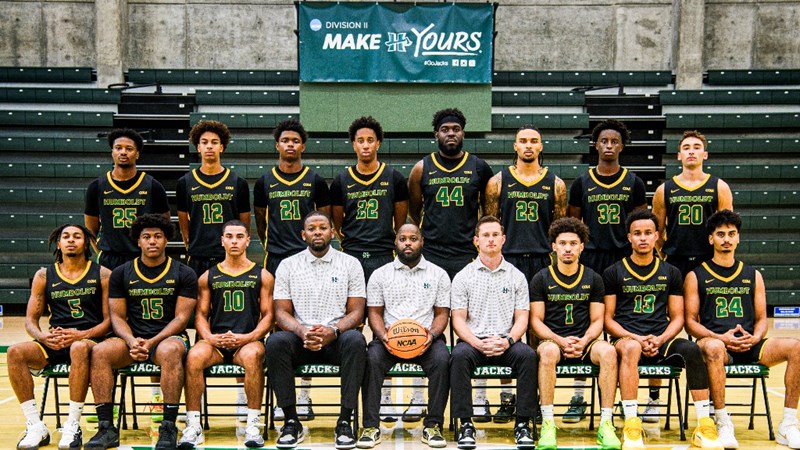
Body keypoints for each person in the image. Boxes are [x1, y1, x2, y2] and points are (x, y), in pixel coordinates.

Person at [603, 209, 722, 450]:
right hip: (628, 338)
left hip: (662, 336)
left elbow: (678, 317)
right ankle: (632, 424)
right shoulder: (614, 271)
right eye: (637, 233)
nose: (643, 238)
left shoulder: (671, 273)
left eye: (648, 233)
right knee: (631, 348)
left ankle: (704, 424)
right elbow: (608, 320)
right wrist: (634, 337)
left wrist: (661, 338)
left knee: (691, 349)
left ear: (657, 236)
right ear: (629, 238)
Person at [685, 209, 800, 449]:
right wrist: (718, 337)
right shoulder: (696, 275)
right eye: (720, 234)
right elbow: (690, 322)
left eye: (731, 234)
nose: (726, 239)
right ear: (711, 239)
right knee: (715, 348)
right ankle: (722, 421)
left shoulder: (753, 275)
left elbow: (761, 318)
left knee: (796, 348)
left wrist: (755, 337)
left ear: (738, 238)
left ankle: (788, 424)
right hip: (715, 344)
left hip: (750, 344)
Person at [408, 107, 494, 421]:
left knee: (477, 325)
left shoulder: (479, 167)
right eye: (445, 129)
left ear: (463, 133)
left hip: (469, 257)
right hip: (432, 257)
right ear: (436, 134)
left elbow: (488, 211)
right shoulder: (421, 168)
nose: (451, 134)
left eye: (456, 128)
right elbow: (416, 212)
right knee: (422, 323)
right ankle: (419, 397)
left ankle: (480, 398)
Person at [84, 214, 198, 450]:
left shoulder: (184, 272)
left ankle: (168, 426)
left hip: (168, 337)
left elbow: (182, 318)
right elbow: (116, 316)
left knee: (171, 350)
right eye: (146, 237)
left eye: (158, 236)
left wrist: (152, 341)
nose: (152, 241)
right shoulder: (121, 273)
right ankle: (106, 427)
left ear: (166, 240)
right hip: (132, 338)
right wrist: (131, 340)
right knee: (101, 352)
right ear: (138, 241)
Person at [330, 116, 415, 423]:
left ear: (378, 143)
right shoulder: (341, 180)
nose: (365, 145)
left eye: (370, 140)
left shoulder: (394, 177)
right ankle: (349, 405)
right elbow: (337, 223)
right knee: (351, 329)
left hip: (383, 256)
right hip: (352, 256)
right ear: (353, 144)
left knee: (391, 325)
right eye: (359, 140)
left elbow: (401, 220)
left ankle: (391, 396)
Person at [566, 119, 647, 422]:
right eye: (604, 141)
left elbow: (642, 225)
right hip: (592, 258)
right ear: (596, 144)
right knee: (586, 325)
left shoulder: (634, 182)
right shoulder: (582, 182)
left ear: (622, 146)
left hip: (622, 259)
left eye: (615, 141)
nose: (609, 145)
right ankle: (578, 394)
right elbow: (574, 224)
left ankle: (623, 400)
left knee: (620, 323)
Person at [484, 124, 566, 422]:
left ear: (541, 147)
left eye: (534, 141)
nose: (528, 146)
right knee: (508, 329)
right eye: (523, 141)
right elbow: (491, 219)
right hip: (510, 261)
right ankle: (508, 399)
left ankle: (533, 402)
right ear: (515, 147)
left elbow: (558, 226)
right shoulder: (497, 182)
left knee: (536, 333)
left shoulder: (555, 184)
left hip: (542, 263)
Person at [264, 212, 367, 449]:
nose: (317, 232)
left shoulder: (350, 264)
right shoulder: (288, 266)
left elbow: (357, 312)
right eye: (312, 228)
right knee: (276, 342)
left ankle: (344, 420)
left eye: (323, 228)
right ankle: (291, 421)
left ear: (333, 232)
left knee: (356, 340)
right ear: (303, 235)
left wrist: (333, 331)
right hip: (301, 339)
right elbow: (280, 312)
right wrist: (302, 331)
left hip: (336, 339)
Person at [9, 225, 111, 450]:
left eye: (77, 236)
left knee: (78, 348)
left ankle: (72, 424)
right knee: (15, 352)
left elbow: (109, 322)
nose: (71, 240)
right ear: (58, 243)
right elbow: (30, 321)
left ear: (86, 243)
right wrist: (43, 337)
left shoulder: (102, 274)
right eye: (66, 237)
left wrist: (81, 335)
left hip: (89, 341)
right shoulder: (44, 275)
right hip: (55, 342)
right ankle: (36, 426)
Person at [254, 119, 330, 419]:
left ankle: (306, 396)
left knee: (309, 321)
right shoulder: (264, 182)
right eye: (285, 140)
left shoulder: (315, 180)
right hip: (276, 260)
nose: (290, 145)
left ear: (303, 146)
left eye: (295, 141)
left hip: (308, 258)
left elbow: (321, 223)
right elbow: (260, 222)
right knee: (277, 327)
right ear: (277, 145)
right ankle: (281, 397)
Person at [178, 220, 274, 449]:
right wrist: (209, 338)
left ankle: (253, 424)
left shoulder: (262, 275)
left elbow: (270, 316)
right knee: (194, 357)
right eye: (229, 236)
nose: (234, 241)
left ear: (248, 241)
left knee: (253, 356)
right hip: (216, 343)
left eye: (239, 236)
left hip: (248, 341)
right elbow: (200, 315)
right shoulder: (207, 276)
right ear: (222, 240)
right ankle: (193, 425)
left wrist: (249, 337)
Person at [530, 217, 620, 450]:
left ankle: (606, 424)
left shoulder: (593, 278)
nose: (567, 248)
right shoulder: (541, 277)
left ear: (582, 246)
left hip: (585, 340)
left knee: (609, 352)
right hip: (554, 340)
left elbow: (598, 320)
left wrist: (585, 340)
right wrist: (559, 340)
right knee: (548, 352)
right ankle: (548, 424)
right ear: (554, 246)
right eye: (562, 243)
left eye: (573, 243)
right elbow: (536, 321)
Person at [357, 224, 451, 448]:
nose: (408, 243)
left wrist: (432, 334)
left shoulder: (438, 274)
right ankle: (371, 426)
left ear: (422, 242)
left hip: (427, 339)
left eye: (413, 238)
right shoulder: (380, 275)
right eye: (402, 238)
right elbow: (374, 314)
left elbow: (441, 315)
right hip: (389, 338)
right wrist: (383, 336)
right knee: (371, 359)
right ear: (395, 242)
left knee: (443, 360)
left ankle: (433, 426)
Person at [449, 216, 537, 449]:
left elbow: (522, 318)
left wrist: (508, 341)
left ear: (503, 239)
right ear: (476, 241)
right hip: (474, 341)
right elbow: (458, 319)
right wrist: (477, 343)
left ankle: (523, 424)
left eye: (495, 235)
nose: (490, 240)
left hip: (506, 340)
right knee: (457, 357)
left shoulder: (516, 276)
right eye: (485, 236)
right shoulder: (463, 276)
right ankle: (466, 424)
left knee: (528, 356)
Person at [84, 128, 170, 270]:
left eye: (129, 148)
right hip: (109, 257)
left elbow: (164, 226)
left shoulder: (153, 186)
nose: (123, 152)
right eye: (118, 148)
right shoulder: (97, 186)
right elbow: (90, 230)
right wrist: (99, 252)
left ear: (137, 154)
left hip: (142, 257)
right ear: (112, 152)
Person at [652, 129, 734, 276]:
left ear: (705, 155)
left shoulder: (719, 186)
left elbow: (728, 228)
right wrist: (664, 256)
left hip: (708, 258)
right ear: (679, 155)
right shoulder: (664, 189)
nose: (691, 152)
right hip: (675, 259)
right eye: (686, 148)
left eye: (696, 148)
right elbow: (656, 231)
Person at [178, 119, 251, 276]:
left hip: (227, 255)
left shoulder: (238, 182)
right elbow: (184, 226)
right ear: (198, 147)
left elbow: (244, 223)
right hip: (198, 254)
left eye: (214, 142)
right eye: (204, 142)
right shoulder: (185, 182)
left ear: (222, 147)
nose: (209, 146)